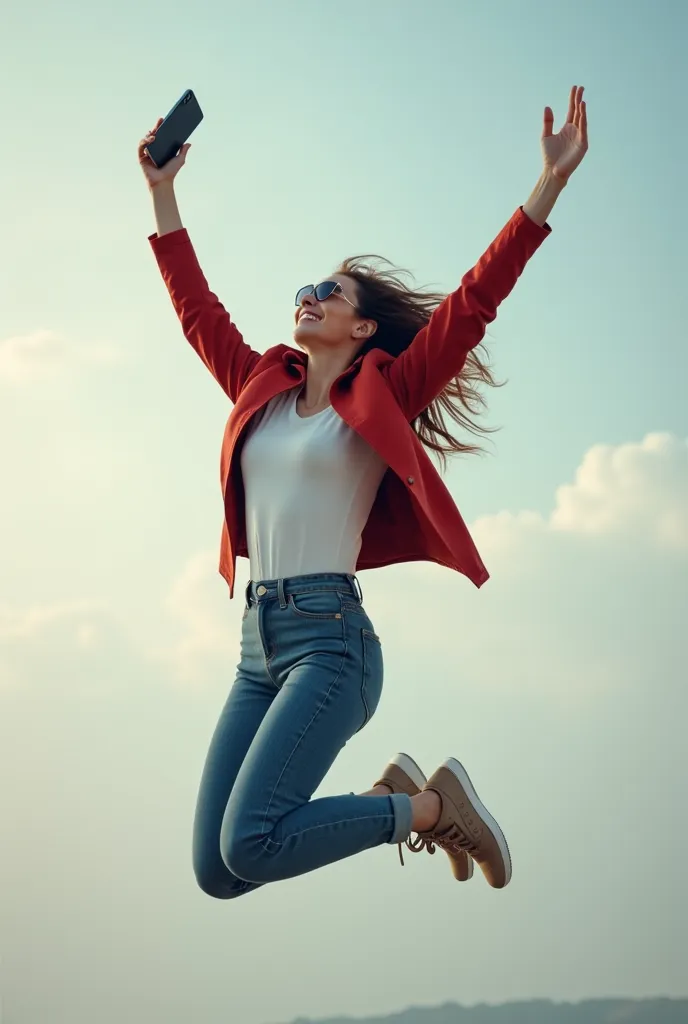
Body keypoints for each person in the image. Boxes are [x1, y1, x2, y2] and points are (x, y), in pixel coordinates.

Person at [139, 86, 589, 899]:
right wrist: (163, 193)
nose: (309, 296)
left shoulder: (385, 393)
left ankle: (426, 806)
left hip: (331, 644)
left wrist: (546, 187)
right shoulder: (260, 388)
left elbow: (473, 304)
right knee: (218, 869)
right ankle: (403, 800)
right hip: (258, 646)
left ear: (364, 330)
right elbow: (196, 313)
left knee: (250, 840)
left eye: (330, 292)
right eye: (306, 288)